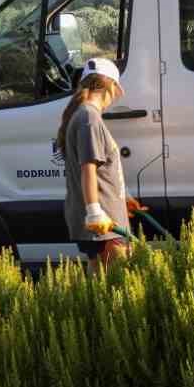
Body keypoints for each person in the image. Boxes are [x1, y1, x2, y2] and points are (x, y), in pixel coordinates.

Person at [57, 57, 134, 268]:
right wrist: (94, 212)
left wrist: (123, 198)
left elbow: (102, 172)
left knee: (100, 284)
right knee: (117, 286)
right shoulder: (89, 119)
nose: (119, 95)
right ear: (110, 85)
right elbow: (88, 169)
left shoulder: (83, 115)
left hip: (104, 220)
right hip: (103, 226)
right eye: (118, 88)